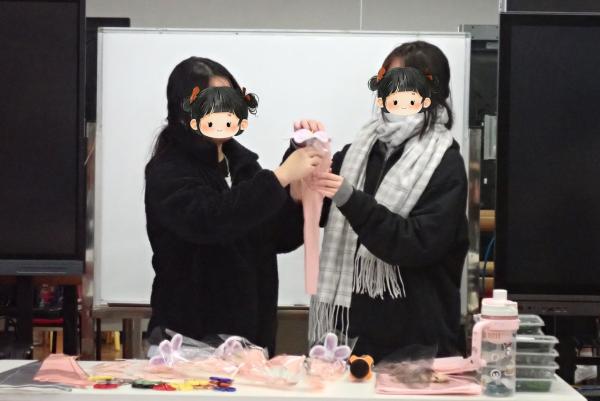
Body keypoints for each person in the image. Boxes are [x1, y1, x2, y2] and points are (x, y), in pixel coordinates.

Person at [300, 41, 468, 362]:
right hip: (351, 336)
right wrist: (306, 155)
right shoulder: (359, 151)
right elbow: (315, 209)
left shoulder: (445, 163)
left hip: (416, 344)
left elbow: (417, 243)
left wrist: (352, 199)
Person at [144, 57, 322, 354]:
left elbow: (276, 236)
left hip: (250, 339)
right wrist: (280, 177)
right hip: (188, 339)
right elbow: (212, 219)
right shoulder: (168, 170)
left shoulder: (241, 164)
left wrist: (295, 193)